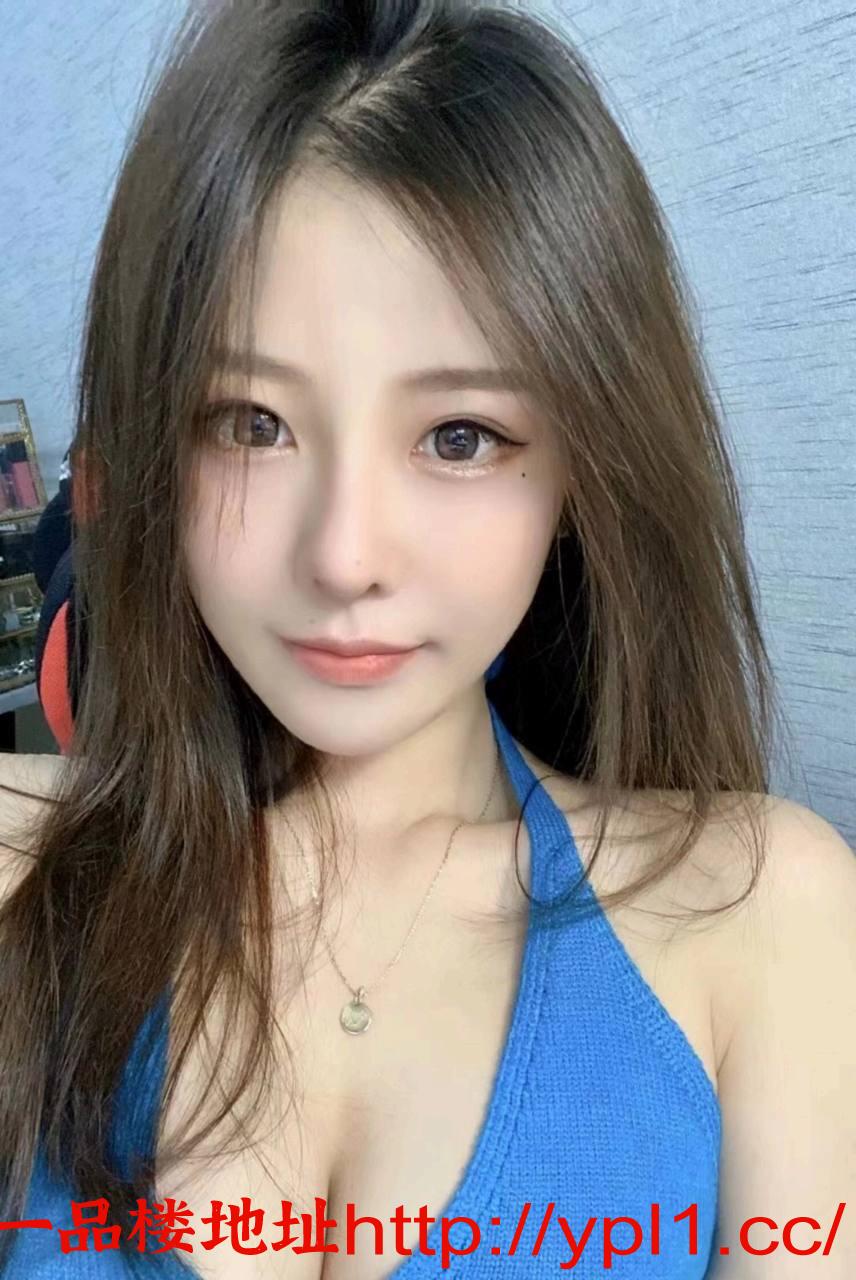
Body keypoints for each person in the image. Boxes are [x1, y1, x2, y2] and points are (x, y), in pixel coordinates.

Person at [1, 0, 853, 1276]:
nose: (345, 555)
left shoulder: (757, 913)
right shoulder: (25, 877)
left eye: (460, 436)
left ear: (583, 464)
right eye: (249, 421)